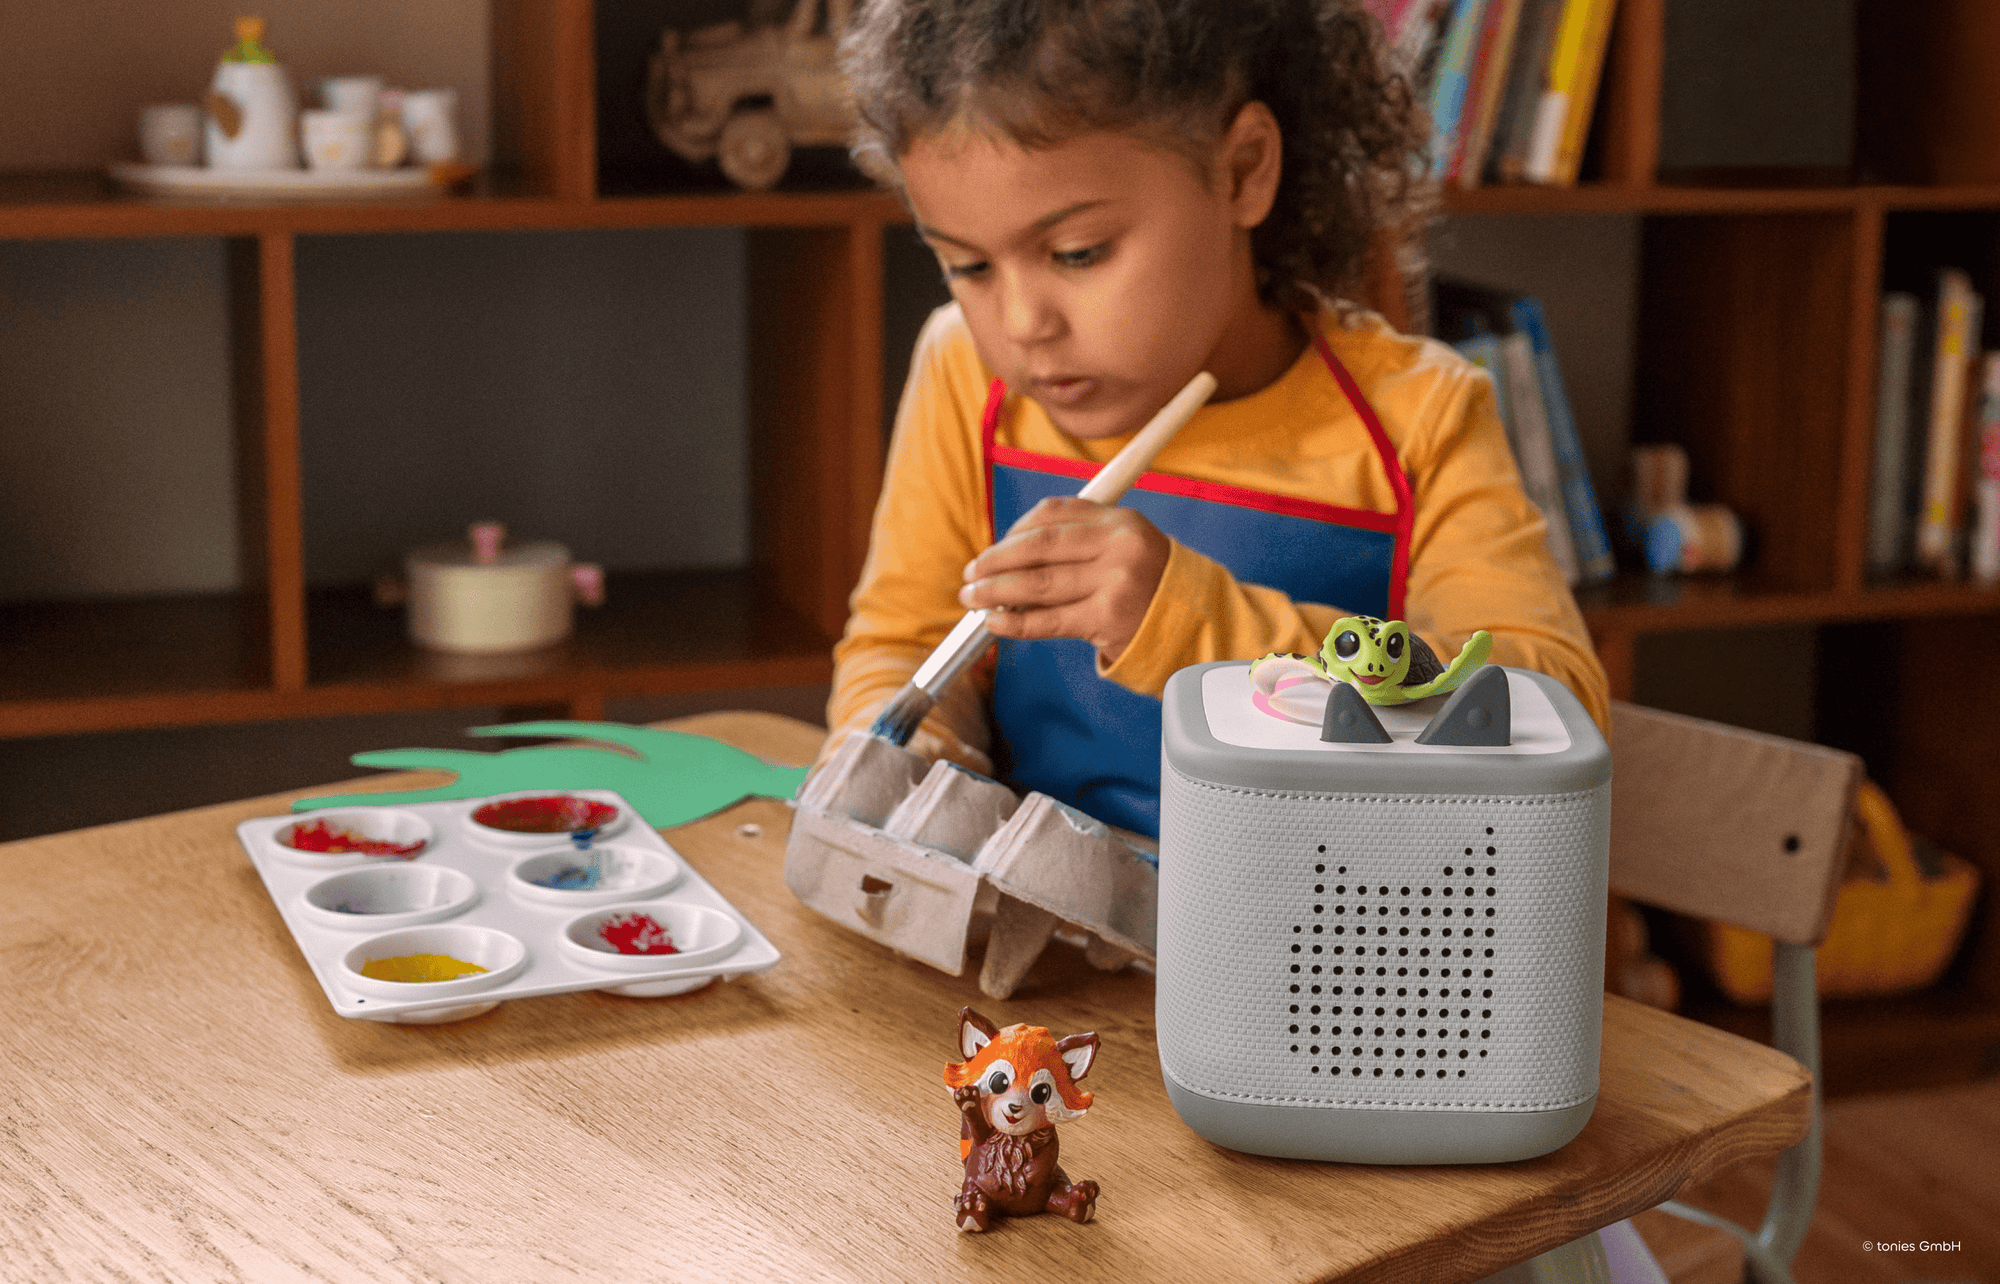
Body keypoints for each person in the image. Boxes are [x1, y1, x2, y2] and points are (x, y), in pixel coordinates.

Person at [825, 0, 1609, 839]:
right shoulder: (968, 375)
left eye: (1078, 252)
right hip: (1047, 945)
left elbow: (1545, 712)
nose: (1021, 324)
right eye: (967, 264)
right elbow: (902, 644)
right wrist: (904, 761)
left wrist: (1190, 622)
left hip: (1332, 945)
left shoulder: (1418, 416)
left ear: (1243, 171)